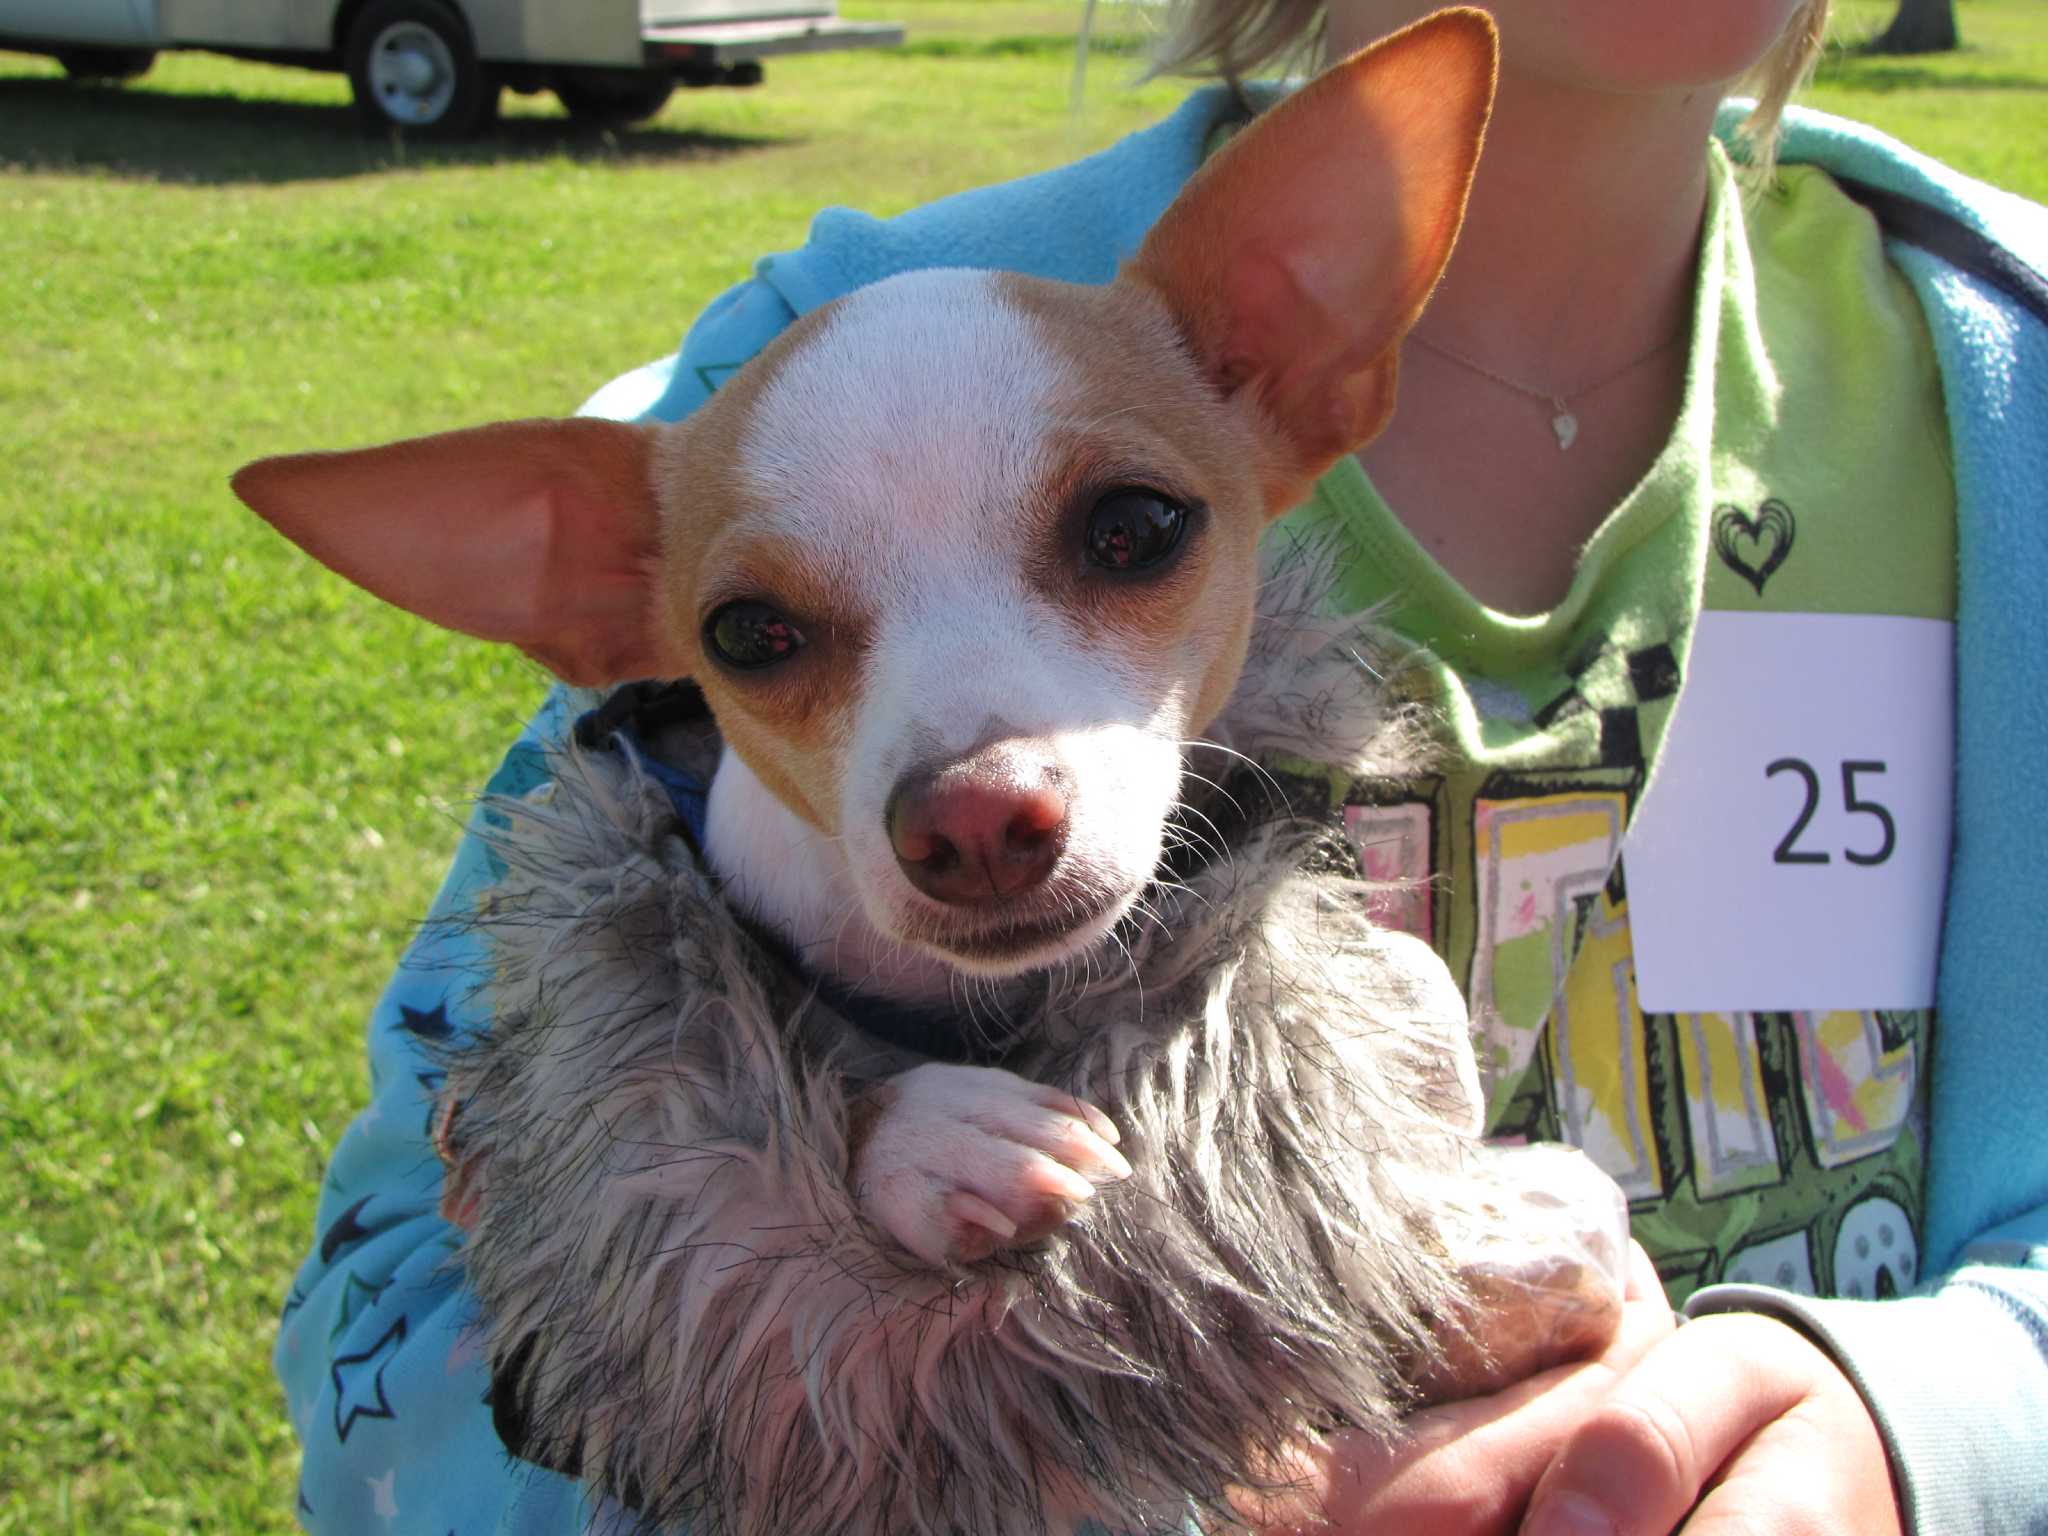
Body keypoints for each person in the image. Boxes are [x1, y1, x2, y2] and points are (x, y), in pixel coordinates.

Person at [272, 2, 2048, 1532]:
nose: (973, 786)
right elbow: (395, 1321)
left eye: (1120, 535)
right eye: (772, 639)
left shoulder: (2011, 380)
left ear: (1291, 363)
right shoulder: (797, 393)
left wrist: (1938, 1433)